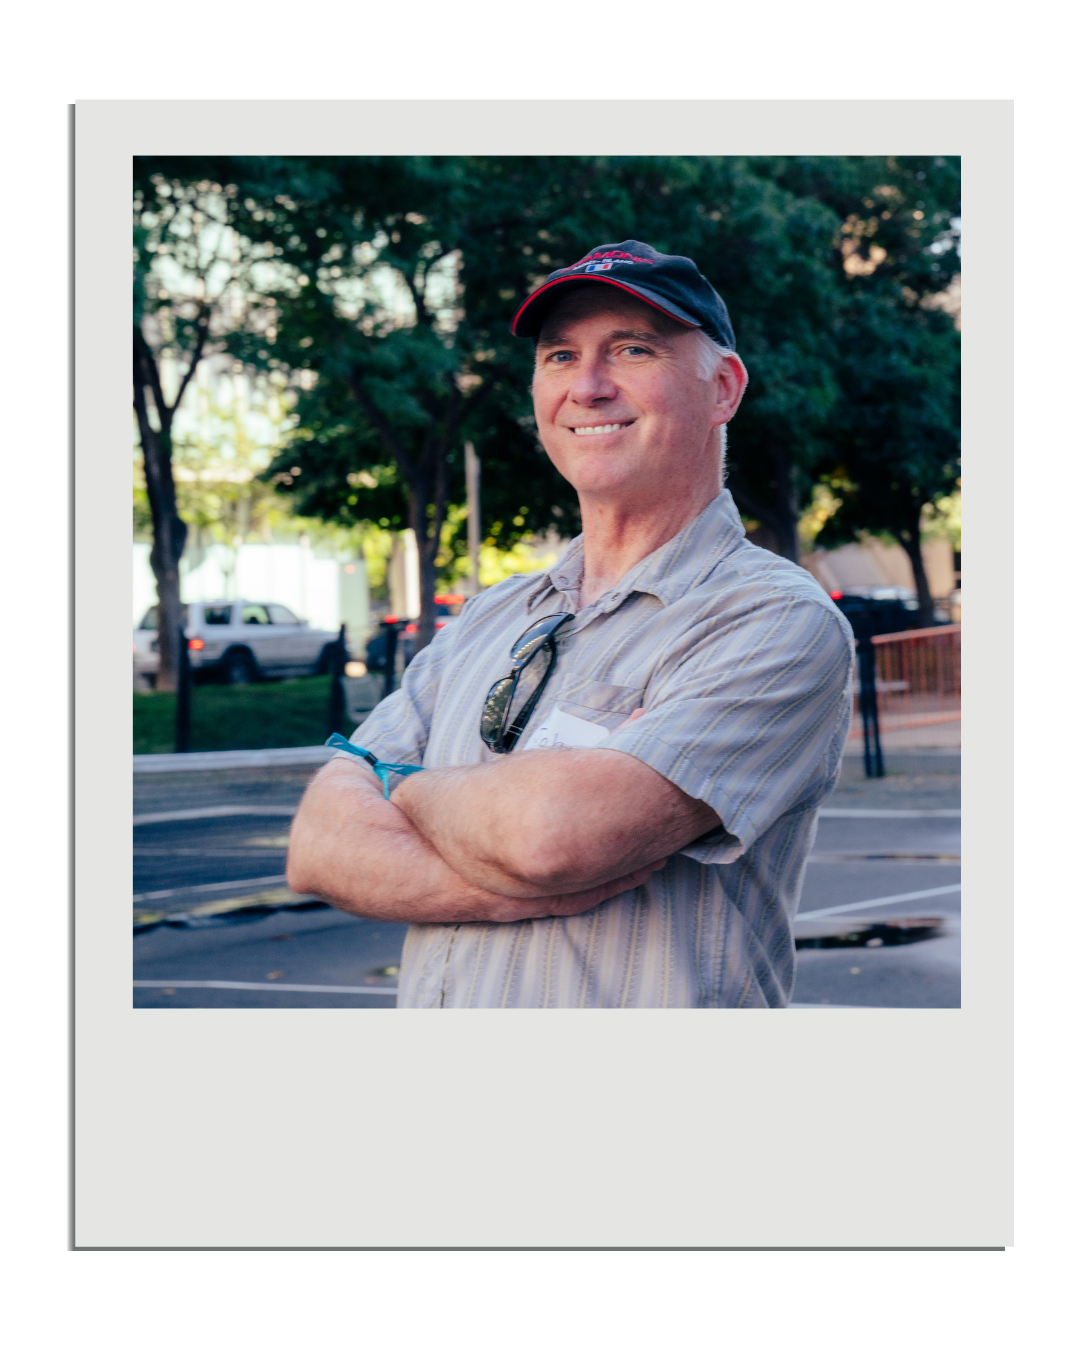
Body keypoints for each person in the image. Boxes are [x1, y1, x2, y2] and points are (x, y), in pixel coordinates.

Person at [288, 240, 854, 1008]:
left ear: (722, 388)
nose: (587, 386)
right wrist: (492, 881)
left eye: (632, 349)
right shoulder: (492, 616)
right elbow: (317, 849)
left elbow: (549, 838)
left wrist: (396, 785)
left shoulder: (772, 620)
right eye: (560, 356)